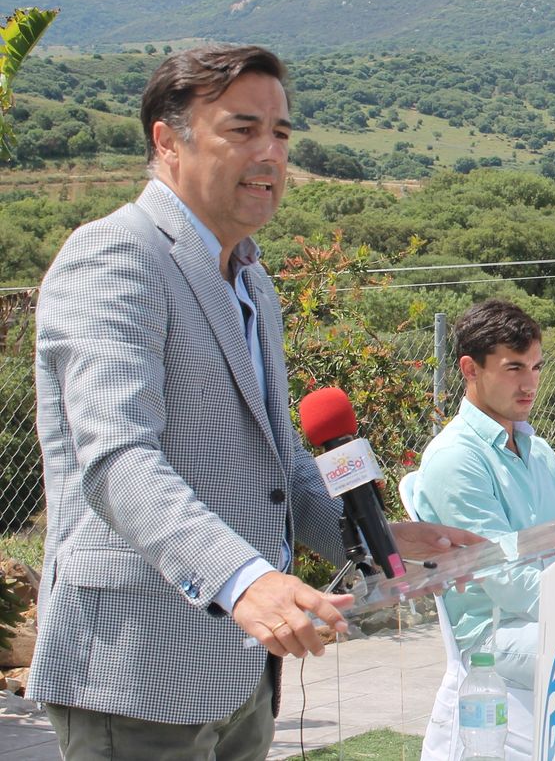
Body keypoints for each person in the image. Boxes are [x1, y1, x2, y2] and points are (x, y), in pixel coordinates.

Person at [30, 45, 476, 759]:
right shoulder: (115, 256)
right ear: (167, 140)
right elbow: (117, 459)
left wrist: (374, 540)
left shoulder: (250, 280)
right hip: (138, 670)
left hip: (240, 671)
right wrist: (245, 583)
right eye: (242, 131)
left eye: (282, 134)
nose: (270, 153)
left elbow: (277, 465)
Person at [410, 300, 555, 758]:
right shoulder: (457, 458)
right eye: (514, 368)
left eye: (535, 366)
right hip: (496, 635)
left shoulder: (536, 448)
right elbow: (507, 583)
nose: (530, 382)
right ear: (470, 369)